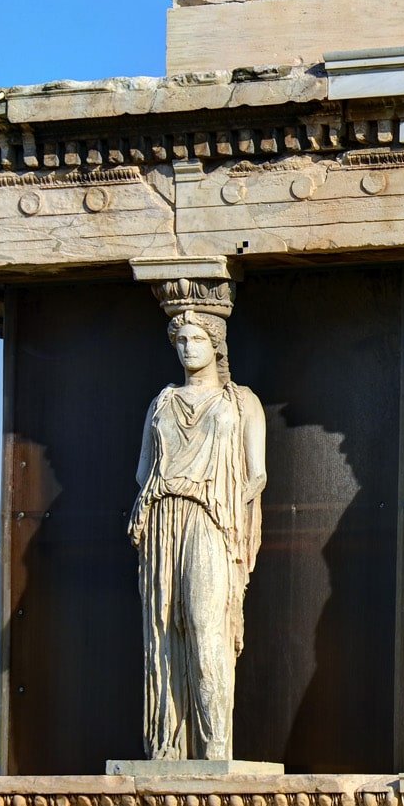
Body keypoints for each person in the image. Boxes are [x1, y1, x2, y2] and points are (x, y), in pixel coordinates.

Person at [129, 307, 266, 761]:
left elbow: (257, 474)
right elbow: (142, 471)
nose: (188, 348)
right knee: (164, 627)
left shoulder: (240, 400)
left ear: (216, 345)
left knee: (207, 625)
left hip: (212, 518)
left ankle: (215, 745)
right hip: (162, 517)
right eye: (181, 340)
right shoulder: (161, 402)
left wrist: (230, 517)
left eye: (197, 339)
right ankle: (167, 744)